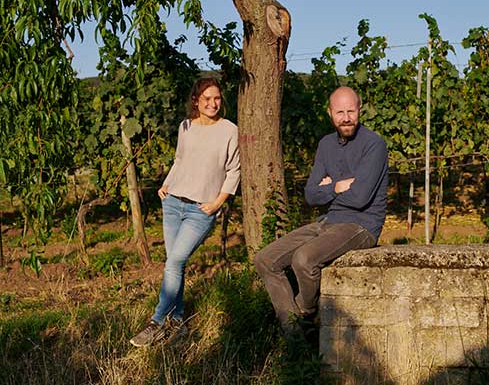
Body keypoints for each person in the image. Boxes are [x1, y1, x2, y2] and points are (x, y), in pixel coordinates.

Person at [254, 86, 388, 334]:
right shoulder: (326, 144)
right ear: (330, 113)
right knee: (265, 259)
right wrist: (337, 187)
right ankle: (295, 336)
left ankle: (304, 313)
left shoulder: (374, 145)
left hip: (360, 225)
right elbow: (311, 195)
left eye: (351, 111)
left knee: (303, 259)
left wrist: (329, 188)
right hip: (328, 220)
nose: (346, 117)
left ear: (360, 110)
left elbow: (360, 198)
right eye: (340, 112)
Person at [130, 77, 240, 347]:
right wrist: (166, 183)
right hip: (173, 202)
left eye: (216, 98)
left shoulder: (229, 130)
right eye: (207, 99)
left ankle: (156, 322)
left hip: (201, 210)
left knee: (175, 261)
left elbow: (234, 170)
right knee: (174, 264)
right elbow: (180, 160)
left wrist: (217, 203)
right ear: (196, 101)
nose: (213, 103)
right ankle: (178, 324)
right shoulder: (186, 126)